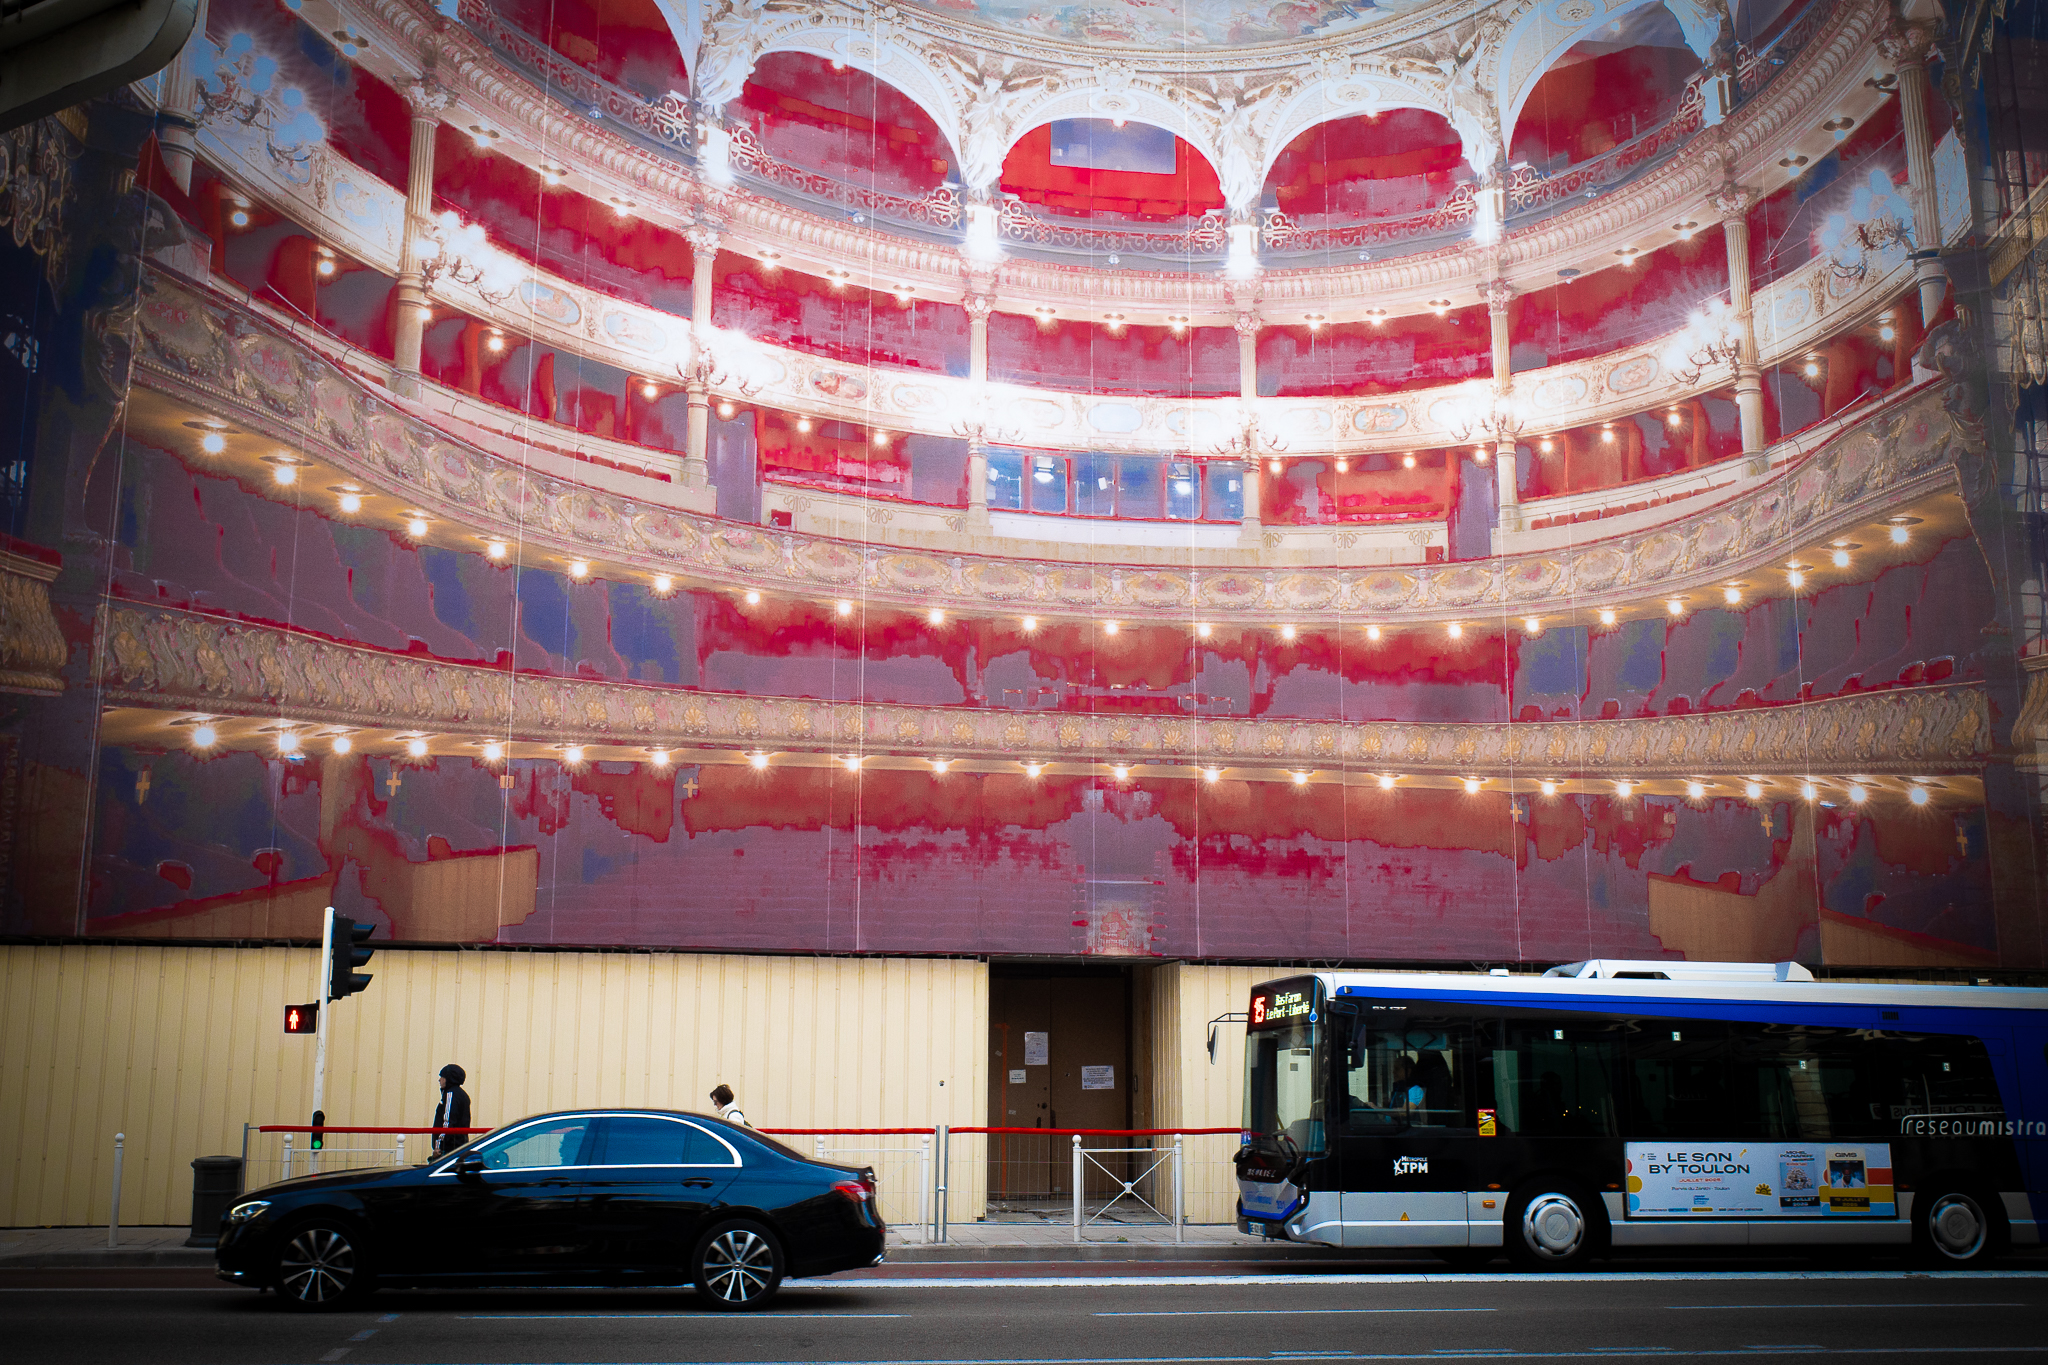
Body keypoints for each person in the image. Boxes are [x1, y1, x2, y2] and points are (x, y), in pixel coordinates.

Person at [432, 1064, 472, 1156]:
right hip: (459, 1146)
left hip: (449, 1148)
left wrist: (439, 1146)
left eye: (442, 1077)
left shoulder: (451, 1094)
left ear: (448, 1078)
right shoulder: (462, 1095)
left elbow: (448, 1122)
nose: (439, 1080)